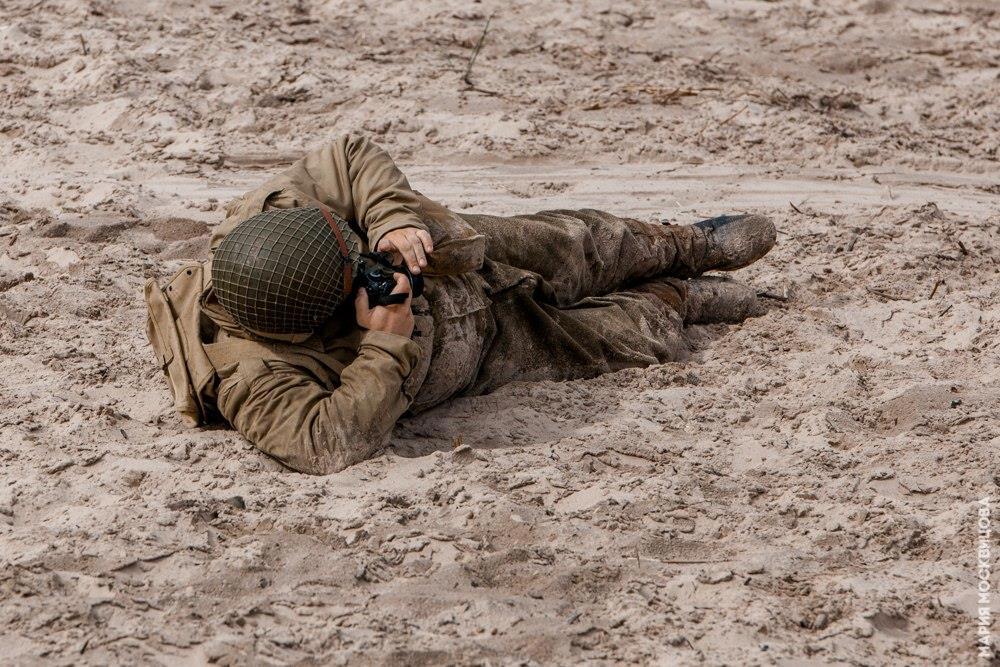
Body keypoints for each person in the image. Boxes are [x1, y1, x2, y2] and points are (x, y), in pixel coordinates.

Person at [145, 135, 776, 475]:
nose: (369, 268)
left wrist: (389, 223)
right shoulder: (251, 377)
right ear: (316, 317)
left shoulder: (265, 229)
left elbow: (349, 155)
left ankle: (687, 244)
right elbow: (324, 443)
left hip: (446, 261)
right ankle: (681, 297)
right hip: (464, 353)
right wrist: (386, 339)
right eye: (355, 273)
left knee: (575, 241)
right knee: (617, 339)